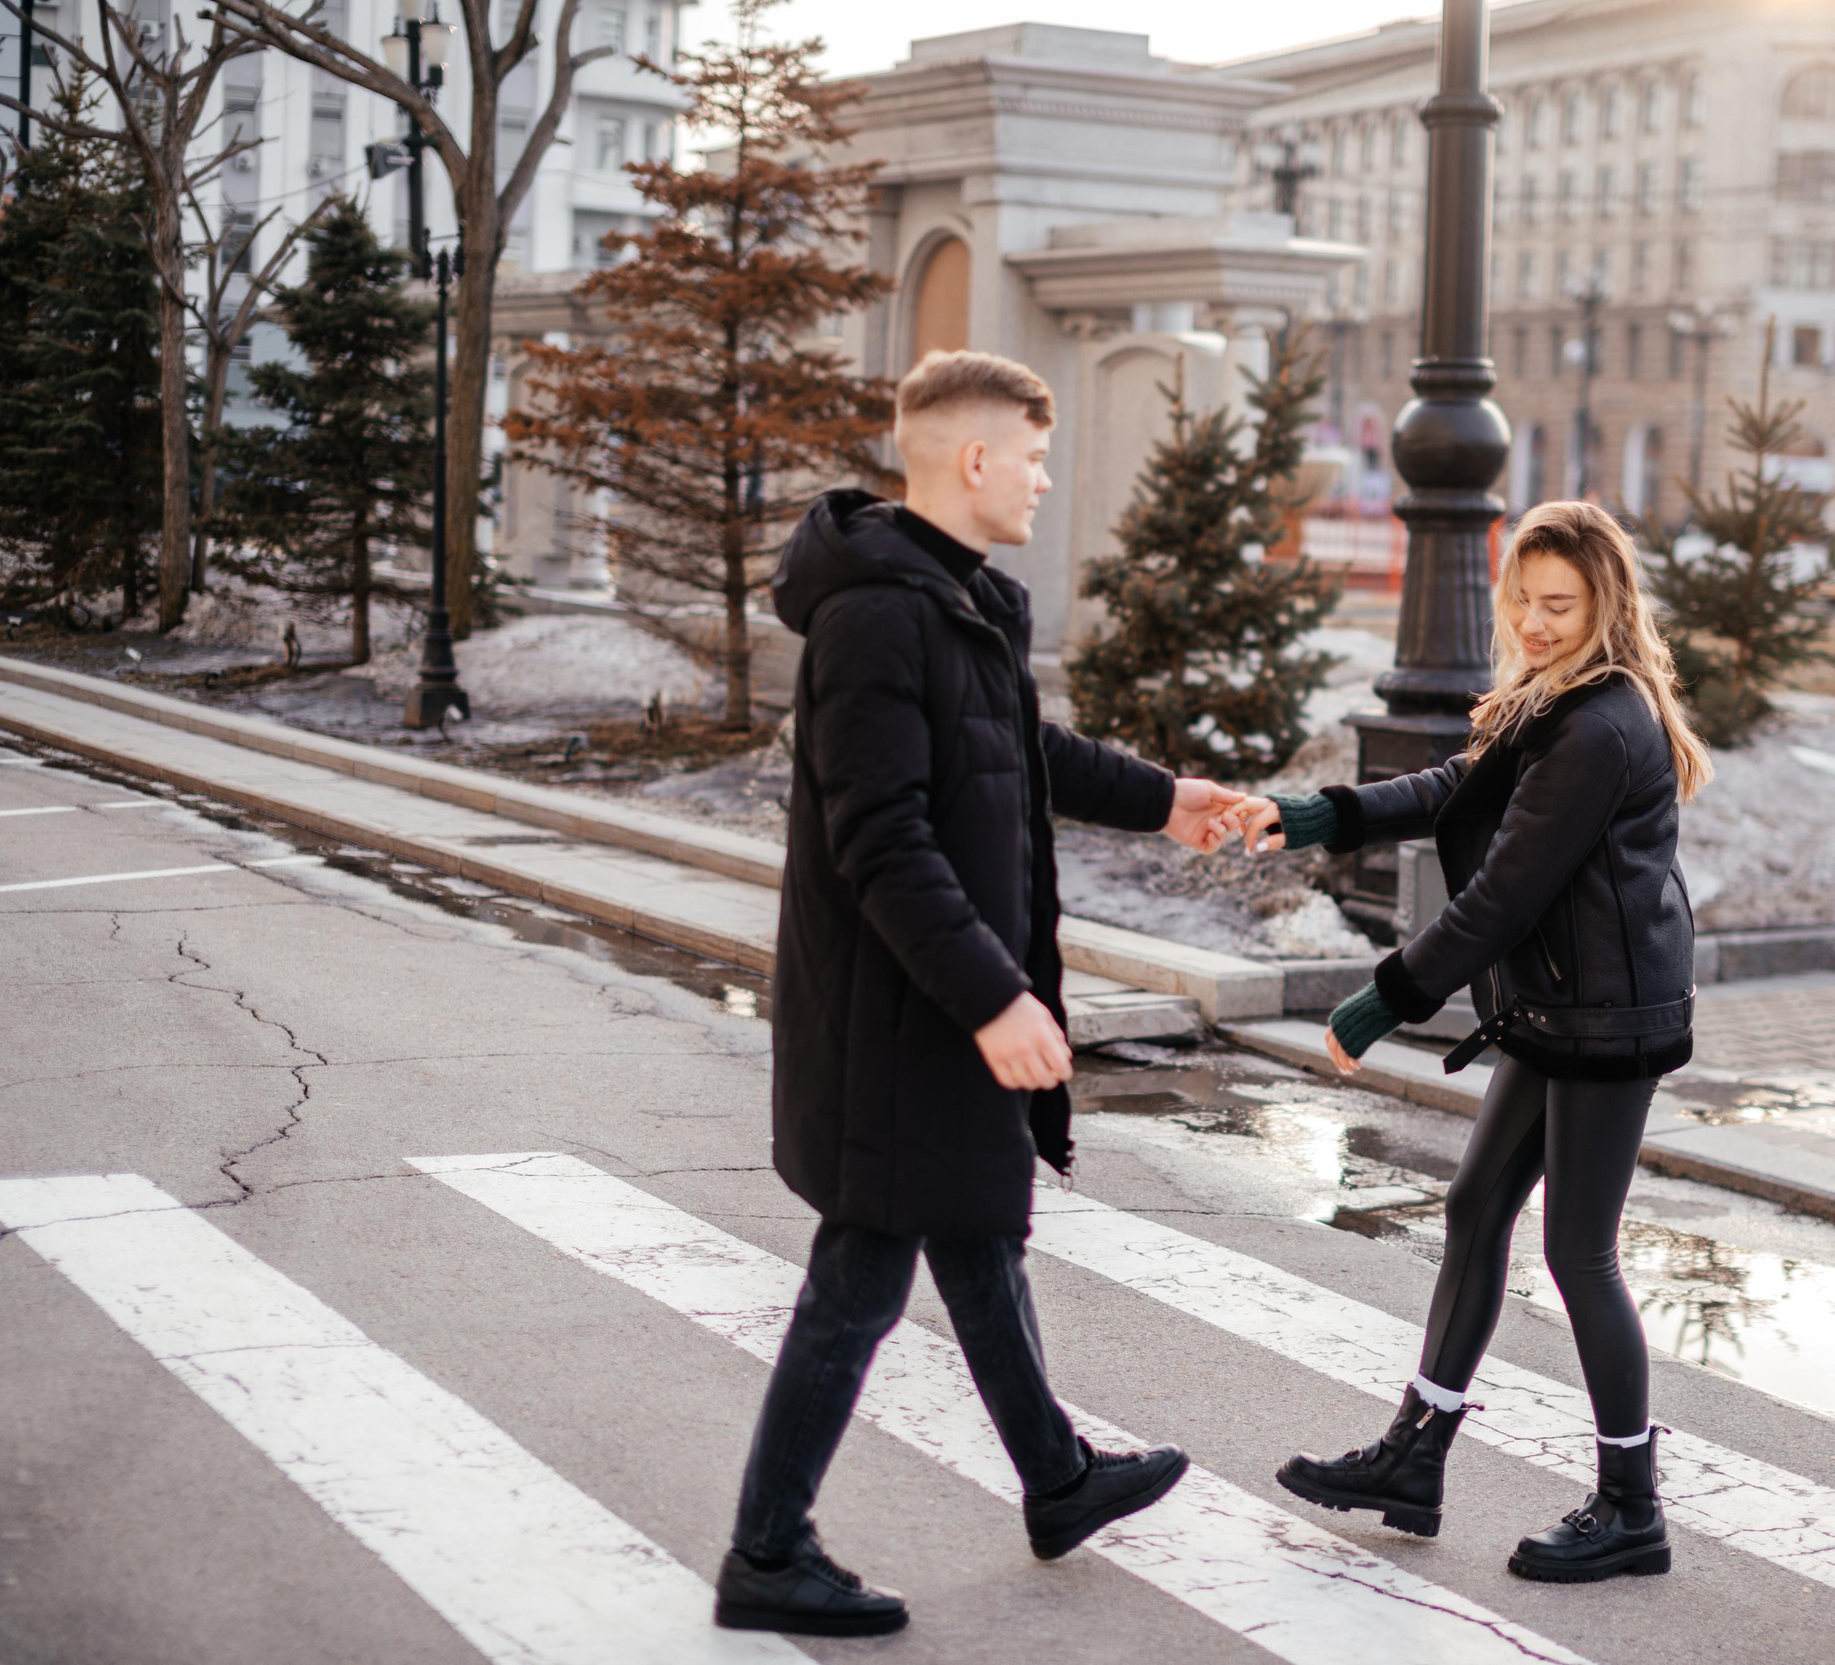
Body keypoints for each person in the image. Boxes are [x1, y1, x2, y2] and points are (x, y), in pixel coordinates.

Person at [716, 350, 1250, 1637]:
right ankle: (766, 1550)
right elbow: (881, 840)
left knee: (975, 1232)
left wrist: (1162, 799)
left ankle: (1056, 1477)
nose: (1043, 478)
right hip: (899, 1014)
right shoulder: (874, 618)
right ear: (970, 460)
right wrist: (995, 998)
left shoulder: (957, 598)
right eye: (1031, 454)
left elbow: (1023, 745)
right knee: (861, 1273)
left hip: (934, 1003)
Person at [1235, 500, 1712, 1583]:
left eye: (1562, 604)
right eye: (1524, 601)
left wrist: (1381, 998)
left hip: (1607, 1018)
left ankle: (1631, 1504)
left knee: (1577, 1251)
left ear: (1604, 604)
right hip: (1558, 1003)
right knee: (1472, 1209)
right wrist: (1320, 814)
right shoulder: (1554, 701)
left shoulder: (1600, 724)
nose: (1537, 623)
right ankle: (1415, 1453)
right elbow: (1459, 785)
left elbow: (1501, 895)